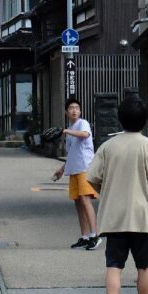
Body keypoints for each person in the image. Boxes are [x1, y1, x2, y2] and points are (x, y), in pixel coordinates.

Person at [85, 97, 148, 294]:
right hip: (143, 217)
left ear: (120, 119)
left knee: (114, 265)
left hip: (115, 217)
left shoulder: (107, 147)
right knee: (144, 267)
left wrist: (107, 193)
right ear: (145, 120)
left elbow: (91, 178)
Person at [52, 99, 100, 250]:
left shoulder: (82, 123)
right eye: (71, 108)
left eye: (77, 108)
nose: (74, 110)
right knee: (78, 203)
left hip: (85, 168)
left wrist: (66, 131)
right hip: (74, 169)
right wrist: (62, 169)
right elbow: (72, 153)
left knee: (85, 200)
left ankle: (95, 235)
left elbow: (85, 134)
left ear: (80, 111)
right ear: (66, 112)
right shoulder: (71, 130)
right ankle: (85, 236)